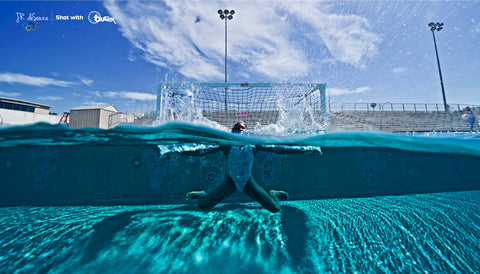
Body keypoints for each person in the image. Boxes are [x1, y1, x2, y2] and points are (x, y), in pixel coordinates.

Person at [167, 121, 317, 213]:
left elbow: (278, 148)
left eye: (243, 128)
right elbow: (201, 152)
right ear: (232, 132)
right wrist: (178, 153)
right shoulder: (227, 146)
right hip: (231, 181)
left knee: (275, 208)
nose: (240, 130)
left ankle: (273, 193)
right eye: (237, 128)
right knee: (204, 206)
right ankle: (202, 194)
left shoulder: (253, 145)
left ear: (247, 132)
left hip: (247, 181)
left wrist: (304, 149)